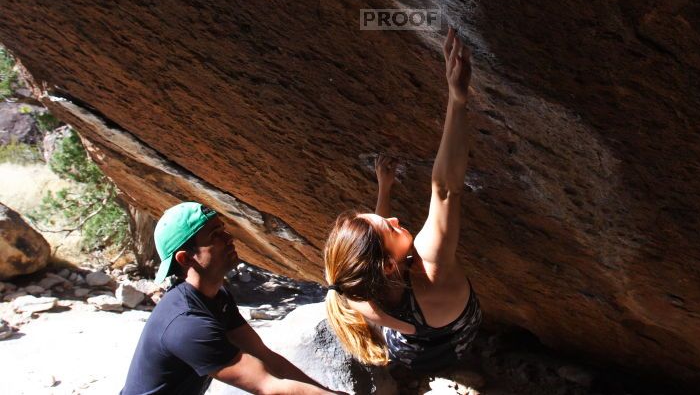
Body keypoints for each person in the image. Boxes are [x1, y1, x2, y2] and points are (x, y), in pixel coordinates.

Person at [323, 27, 482, 373]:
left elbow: (374, 247)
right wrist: (457, 99)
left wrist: (385, 188)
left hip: (408, 350)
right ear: (391, 266)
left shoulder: (355, 287)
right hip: (457, 336)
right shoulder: (430, 264)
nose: (394, 219)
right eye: (390, 229)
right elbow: (445, 188)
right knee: (458, 349)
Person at [121, 201, 339, 395]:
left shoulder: (217, 298)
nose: (229, 237)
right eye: (215, 235)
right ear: (186, 258)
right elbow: (266, 385)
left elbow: (265, 357)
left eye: (223, 230)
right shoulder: (186, 322)